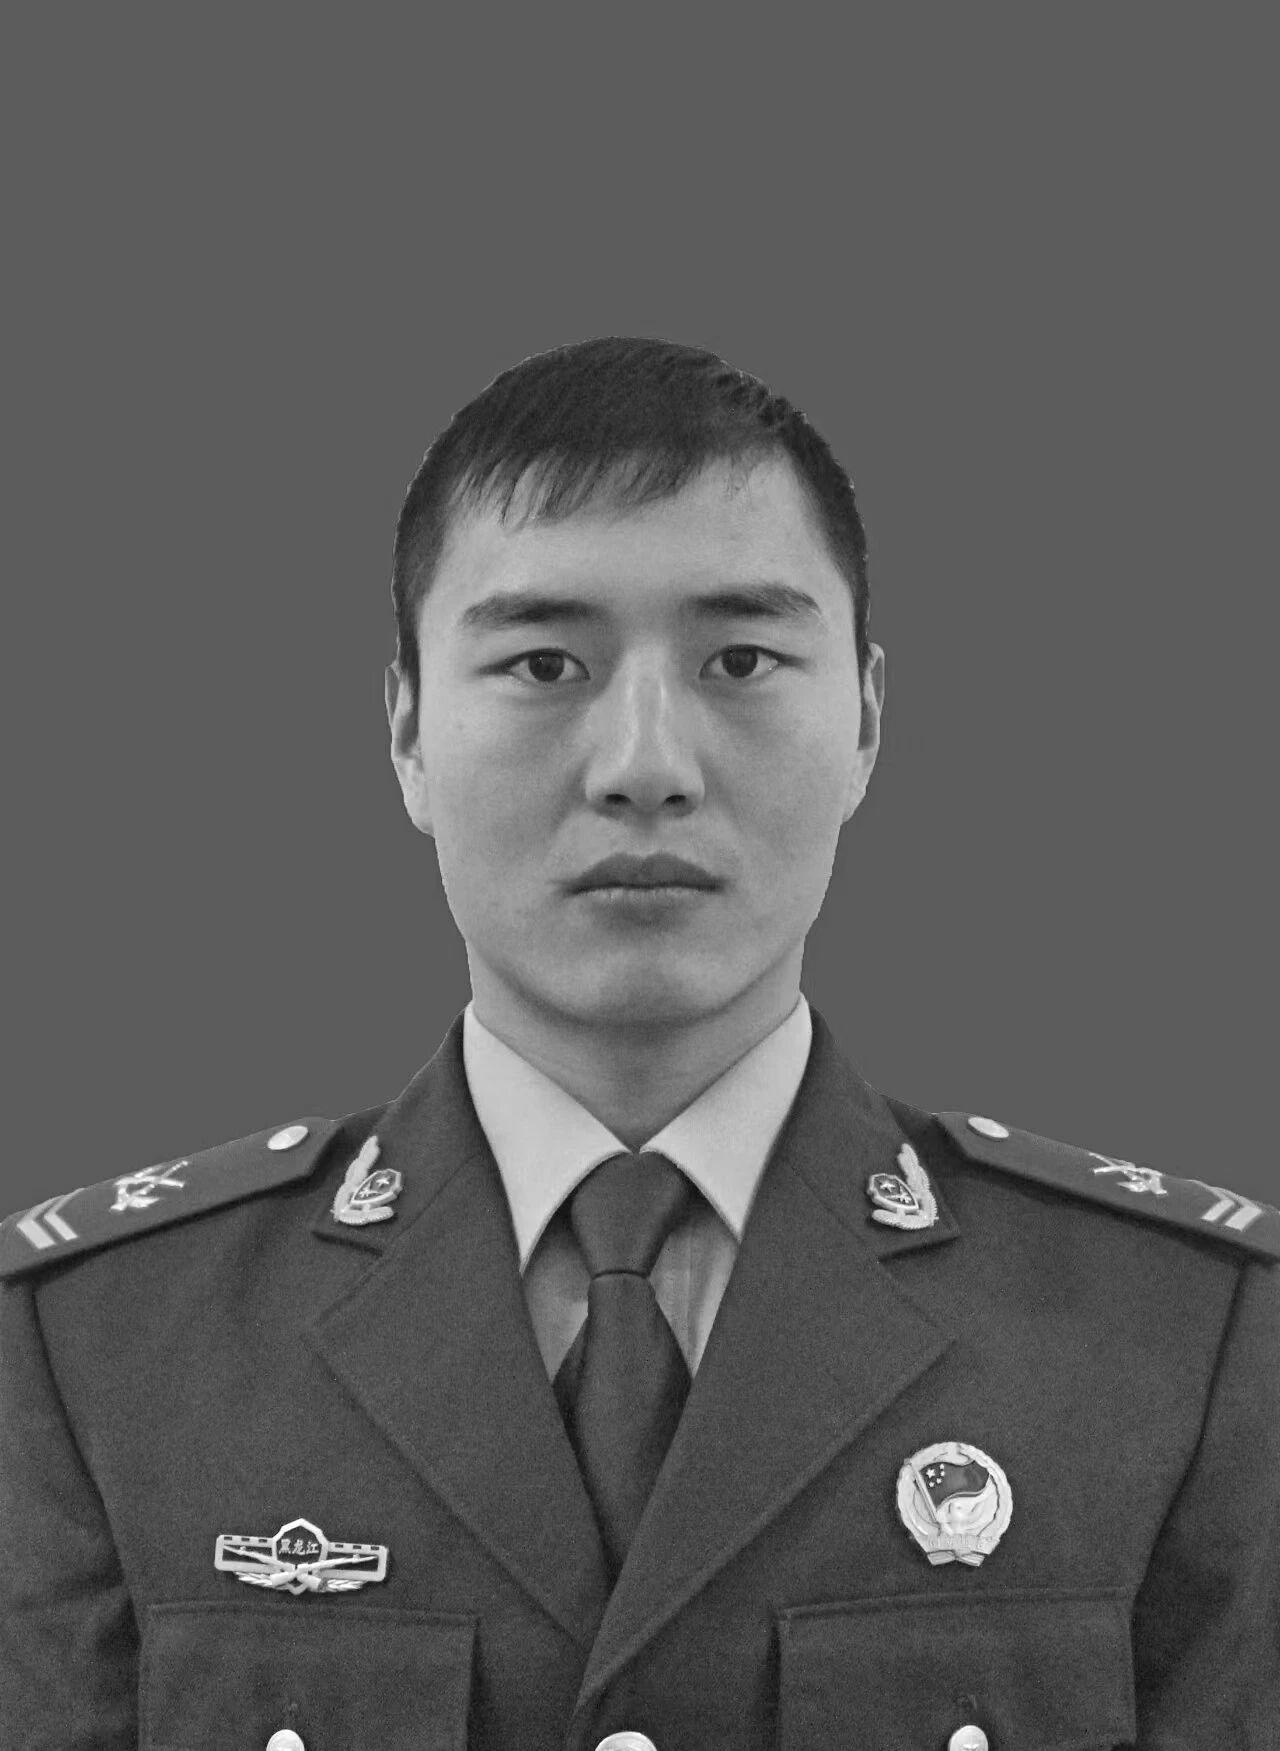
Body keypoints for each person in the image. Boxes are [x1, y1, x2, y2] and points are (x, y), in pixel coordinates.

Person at [2, 336, 1277, 1751]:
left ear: (865, 718)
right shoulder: (97, 1345)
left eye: (742, 659)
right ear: (408, 730)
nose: (646, 766)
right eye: (544, 662)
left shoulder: (1185, 1336)